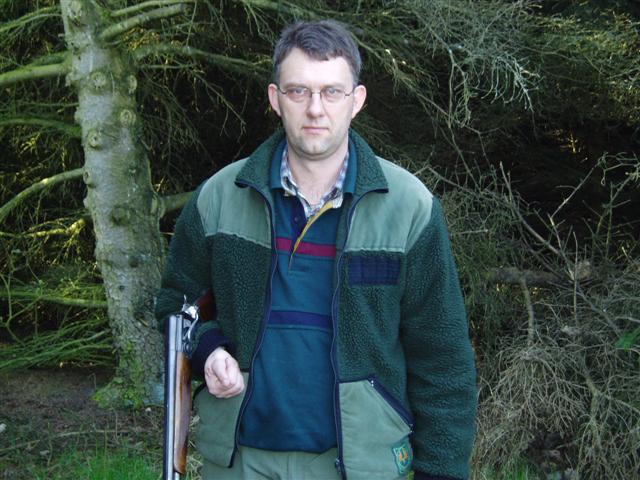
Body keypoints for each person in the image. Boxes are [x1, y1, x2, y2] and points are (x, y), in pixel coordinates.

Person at [156, 19, 477, 480]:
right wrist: (208, 350)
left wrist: (441, 472)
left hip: (358, 466)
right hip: (239, 462)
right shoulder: (219, 198)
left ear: (356, 101)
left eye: (331, 92)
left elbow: (442, 357)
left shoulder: (410, 208)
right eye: (298, 91)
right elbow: (175, 304)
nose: (315, 109)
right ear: (275, 98)